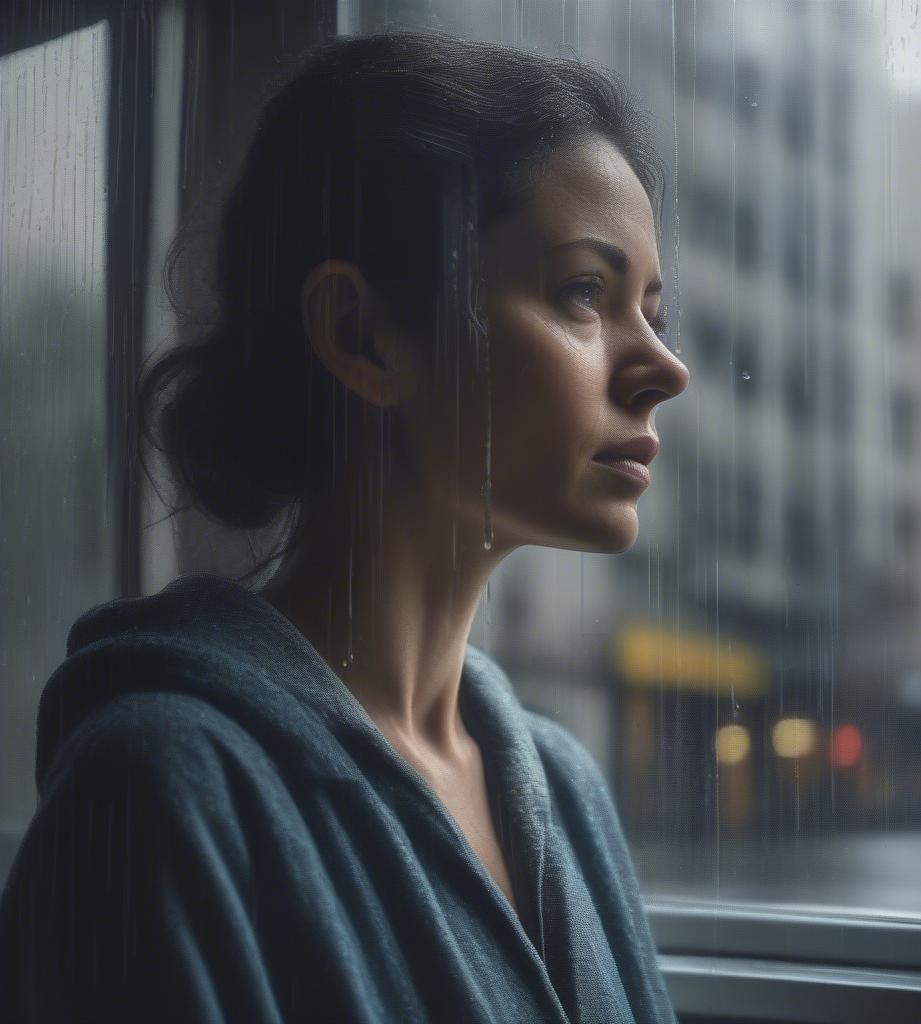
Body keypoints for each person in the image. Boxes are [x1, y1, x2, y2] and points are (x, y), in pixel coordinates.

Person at [0, 29, 689, 1023]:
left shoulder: (561, 787)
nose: (664, 367)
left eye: (652, 310)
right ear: (362, 336)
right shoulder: (154, 796)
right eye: (585, 292)